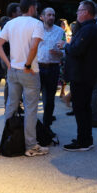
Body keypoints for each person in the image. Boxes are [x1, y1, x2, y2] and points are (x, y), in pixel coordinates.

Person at [0, 0, 47, 157]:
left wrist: (8, 63)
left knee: (11, 105)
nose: (37, 10)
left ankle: (8, 138)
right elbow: (34, 47)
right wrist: (28, 65)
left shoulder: (11, 23)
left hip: (13, 71)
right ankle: (30, 145)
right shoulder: (37, 24)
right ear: (31, 8)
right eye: (36, 8)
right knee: (31, 108)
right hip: (29, 72)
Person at [62, 0, 97, 152]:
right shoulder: (88, 28)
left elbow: (76, 50)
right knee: (84, 108)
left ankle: (83, 141)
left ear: (85, 12)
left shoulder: (89, 29)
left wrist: (65, 46)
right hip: (85, 75)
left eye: (79, 11)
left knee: (80, 109)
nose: (77, 13)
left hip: (82, 76)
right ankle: (85, 138)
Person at [37, 7, 65, 136]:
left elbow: (64, 51)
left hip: (53, 68)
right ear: (42, 17)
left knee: (49, 100)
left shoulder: (60, 31)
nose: (52, 17)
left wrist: (59, 52)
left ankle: (46, 127)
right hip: (38, 67)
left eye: (53, 15)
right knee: (32, 98)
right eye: (49, 15)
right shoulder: (36, 29)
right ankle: (32, 127)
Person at [57, 18, 72, 98]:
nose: (65, 25)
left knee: (64, 74)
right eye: (63, 24)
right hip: (59, 55)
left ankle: (62, 91)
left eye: (66, 24)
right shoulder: (58, 33)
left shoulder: (69, 33)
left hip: (66, 56)